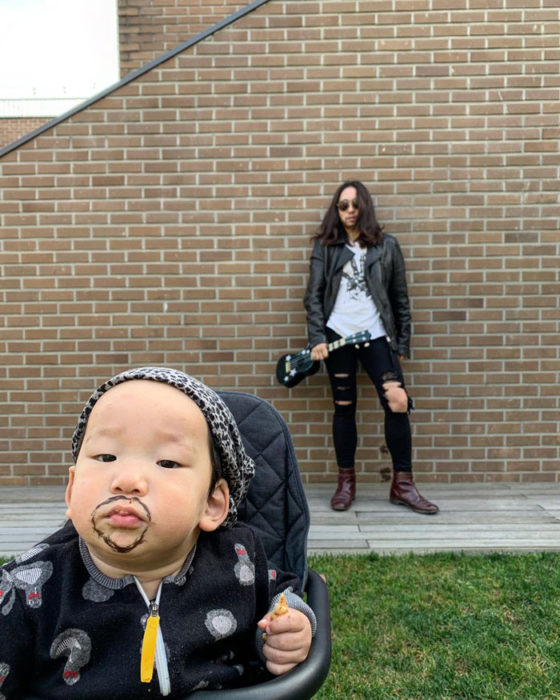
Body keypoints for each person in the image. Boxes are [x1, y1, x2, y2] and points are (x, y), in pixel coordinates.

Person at [0, 367, 315, 698]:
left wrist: (289, 627)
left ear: (212, 504)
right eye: (106, 456)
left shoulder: (238, 556)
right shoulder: (27, 586)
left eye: (166, 462)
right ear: (72, 488)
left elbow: (280, 594)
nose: (128, 479)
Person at [304, 181, 439, 515]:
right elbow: (314, 296)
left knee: (398, 401)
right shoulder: (326, 247)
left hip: (378, 336)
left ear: (364, 206)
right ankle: (346, 483)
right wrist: (318, 338)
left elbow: (400, 298)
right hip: (339, 338)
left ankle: (403, 485)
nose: (348, 211)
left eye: (354, 205)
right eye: (342, 206)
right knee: (344, 407)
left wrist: (402, 343)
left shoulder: (386, 246)